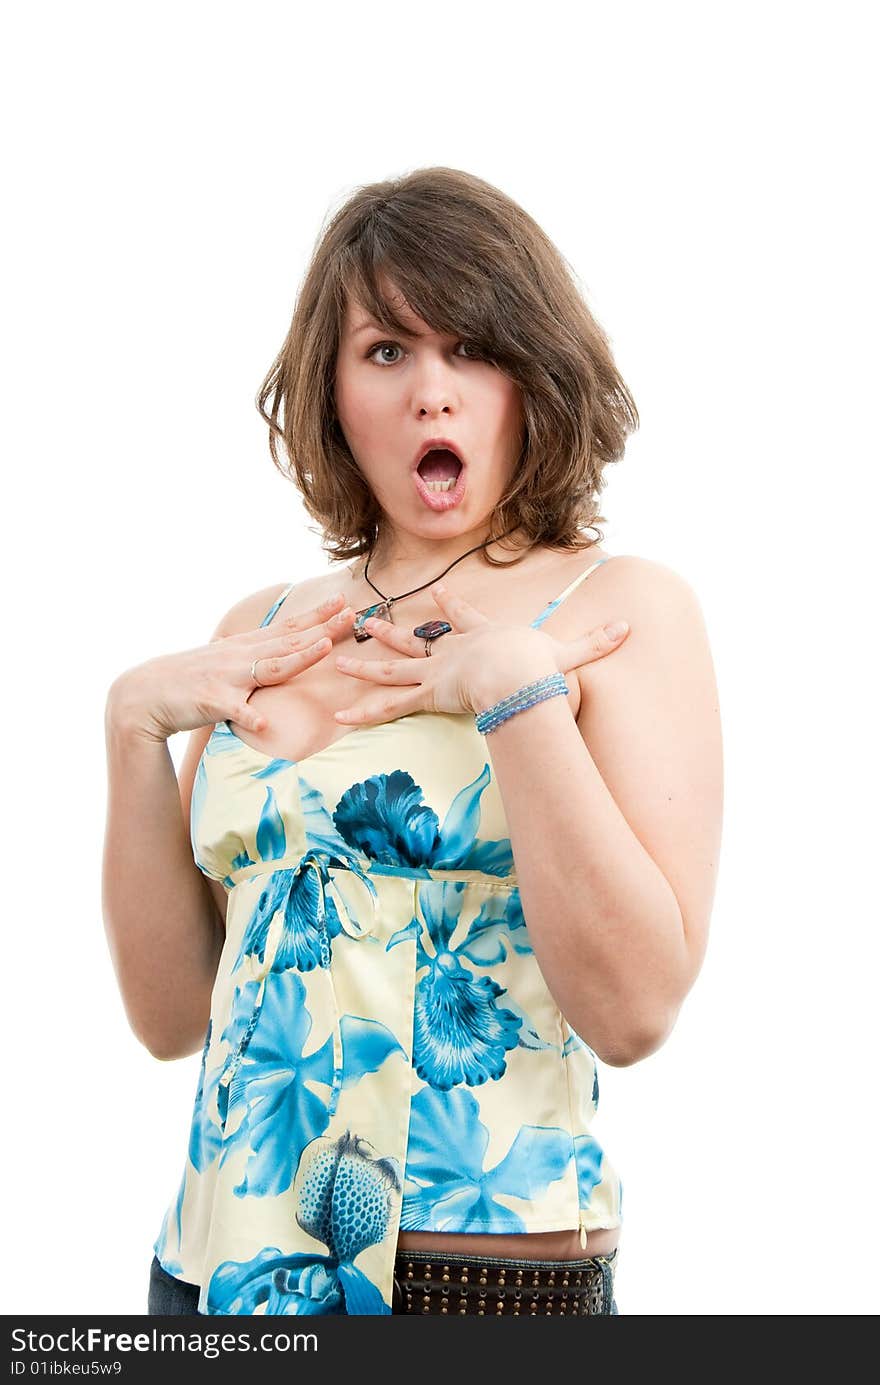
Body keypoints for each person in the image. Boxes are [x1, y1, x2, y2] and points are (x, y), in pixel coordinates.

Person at [103, 166, 723, 1317]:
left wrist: (514, 693)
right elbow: (168, 1014)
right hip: (215, 1266)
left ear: (534, 378)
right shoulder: (263, 627)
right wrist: (131, 729)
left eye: (471, 349)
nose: (431, 393)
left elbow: (636, 1012)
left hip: (474, 1273)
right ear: (332, 389)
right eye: (386, 349)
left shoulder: (612, 609)